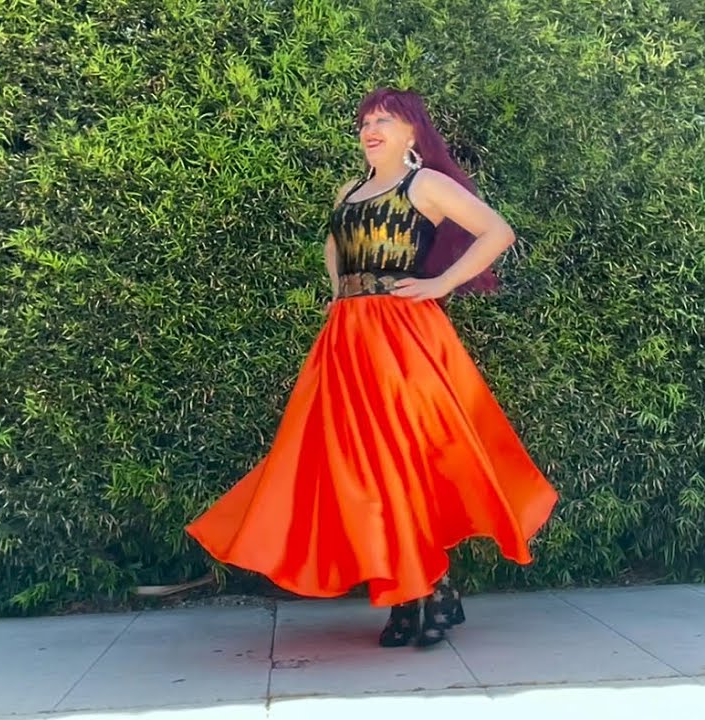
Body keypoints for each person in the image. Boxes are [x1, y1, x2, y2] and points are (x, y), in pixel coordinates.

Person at [186, 87, 558, 648]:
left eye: (385, 119)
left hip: (405, 339)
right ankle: (414, 593)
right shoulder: (349, 191)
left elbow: (498, 231)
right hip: (347, 340)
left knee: (405, 461)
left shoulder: (425, 185)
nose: (371, 128)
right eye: (365, 121)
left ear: (413, 132)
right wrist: (340, 295)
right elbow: (335, 246)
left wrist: (439, 283)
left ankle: (428, 588)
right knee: (357, 471)